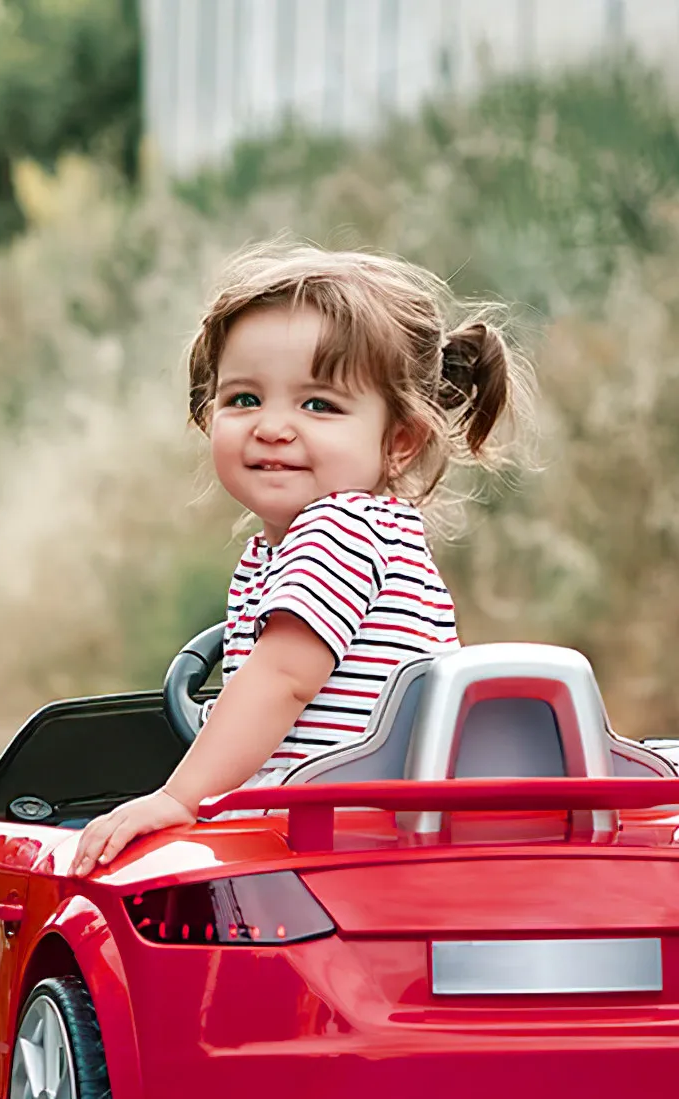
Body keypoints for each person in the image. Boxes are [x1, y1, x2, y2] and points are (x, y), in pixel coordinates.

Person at [72, 241, 524, 876]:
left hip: (333, 851)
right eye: (243, 399)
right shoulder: (351, 535)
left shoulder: (340, 527)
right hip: (352, 843)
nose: (272, 427)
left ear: (399, 441)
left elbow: (284, 678)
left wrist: (177, 799)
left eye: (318, 405)